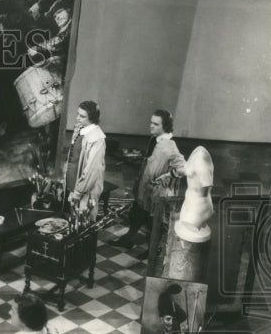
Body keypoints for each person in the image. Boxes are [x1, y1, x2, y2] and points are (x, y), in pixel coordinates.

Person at [112, 109, 187, 252]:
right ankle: (128, 239)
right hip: (144, 188)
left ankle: (153, 251)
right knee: (136, 214)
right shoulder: (154, 139)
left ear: (165, 126)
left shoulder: (169, 147)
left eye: (156, 124)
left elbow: (183, 169)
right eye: (151, 122)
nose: (151, 126)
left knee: (152, 222)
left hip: (156, 194)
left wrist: (166, 176)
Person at [65, 100, 106, 221]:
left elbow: (92, 170)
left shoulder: (97, 139)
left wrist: (78, 192)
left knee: (84, 220)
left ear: (92, 118)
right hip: (74, 183)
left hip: (85, 189)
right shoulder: (81, 129)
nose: (77, 118)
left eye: (82, 116)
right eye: (77, 114)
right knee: (73, 219)